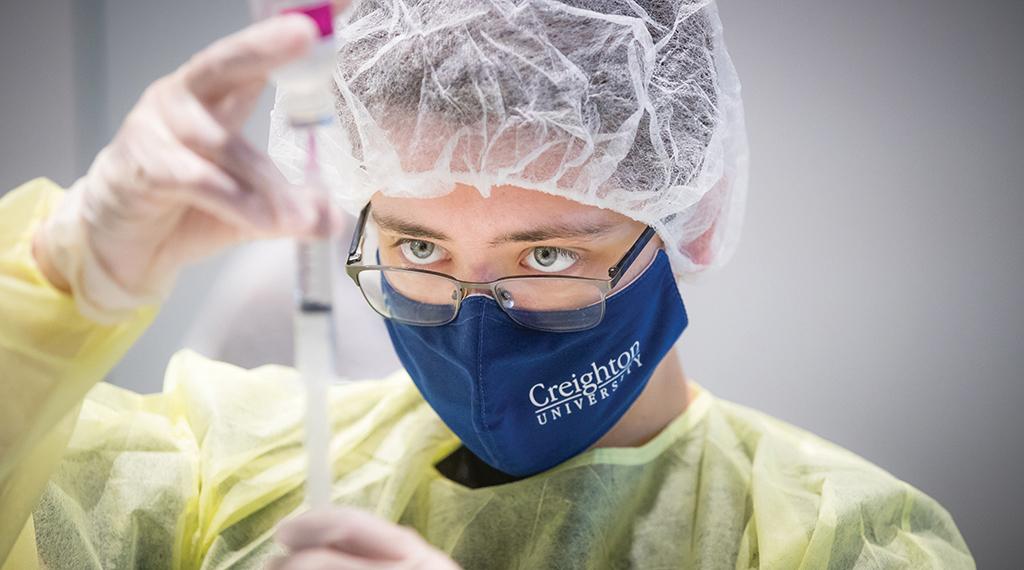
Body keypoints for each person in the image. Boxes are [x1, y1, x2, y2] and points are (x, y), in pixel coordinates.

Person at [0, 2, 974, 569]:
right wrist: (60, 280)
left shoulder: (837, 539)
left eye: (545, 256)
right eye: (418, 249)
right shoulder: (223, 468)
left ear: (692, 218)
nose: (471, 321)